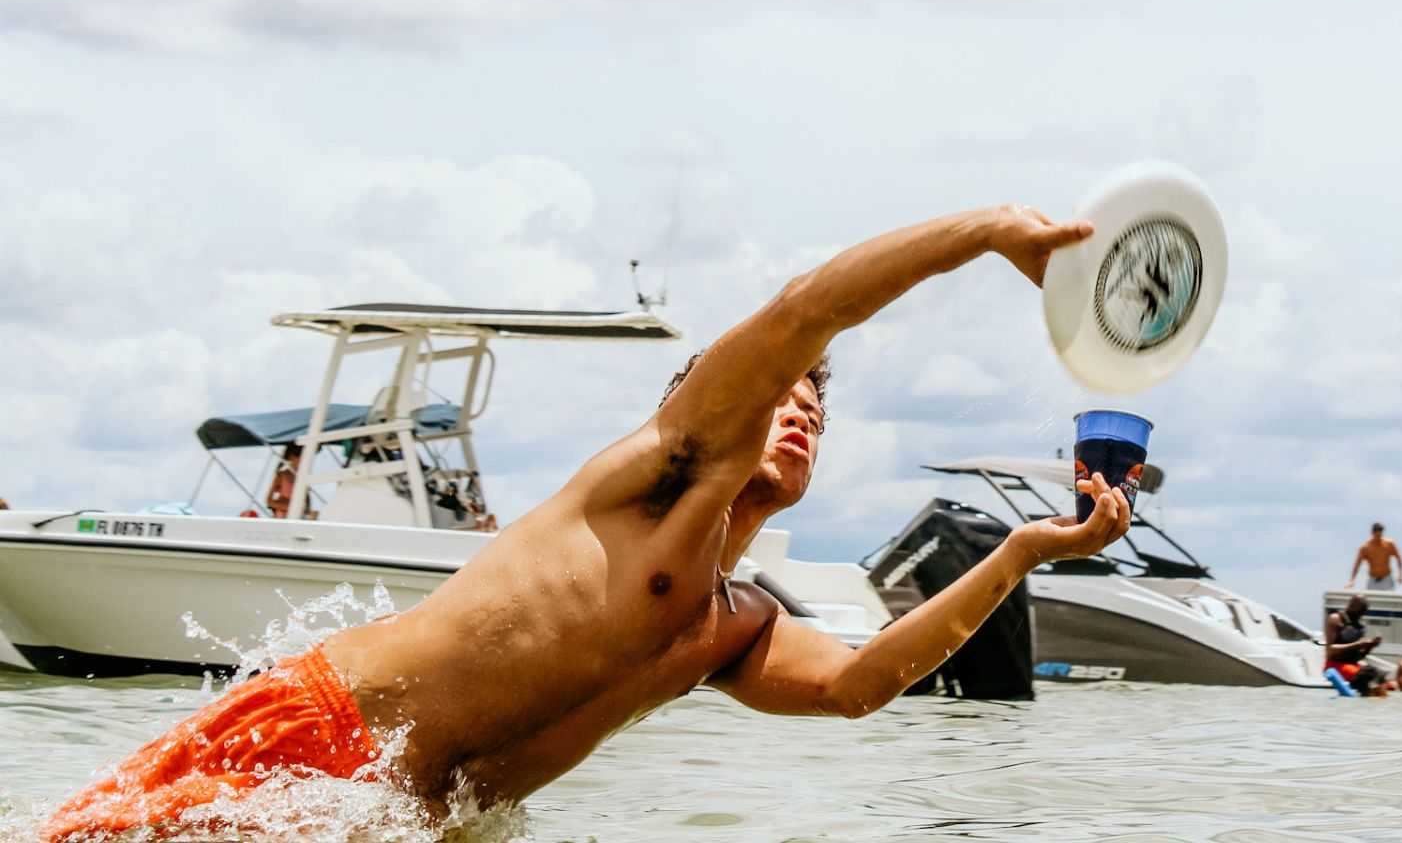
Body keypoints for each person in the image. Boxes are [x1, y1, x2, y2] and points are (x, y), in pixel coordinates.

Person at [43, 204, 1130, 841]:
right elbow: (811, 307)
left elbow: (858, 689)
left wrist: (1025, 549)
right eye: (783, 392)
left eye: (822, 404)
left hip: (418, 822)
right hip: (317, 736)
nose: (802, 408)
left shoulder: (730, 625)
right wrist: (988, 234)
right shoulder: (664, 469)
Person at [1324, 593, 1385, 696]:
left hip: (1352, 665)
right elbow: (1330, 649)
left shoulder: (1360, 627)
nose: (1362, 613)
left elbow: (1357, 657)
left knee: (1379, 675)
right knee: (1368, 675)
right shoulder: (1335, 619)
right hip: (1334, 665)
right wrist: (1357, 644)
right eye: (1361, 609)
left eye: (1364, 610)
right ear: (1352, 605)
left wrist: (1370, 646)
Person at [1346, 522, 1402, 591]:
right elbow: (1357, 565)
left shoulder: (1389, 544)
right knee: (1370, 600)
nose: (1378, 538)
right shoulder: (1365, 547)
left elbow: (1399, 558)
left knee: (1388, 600)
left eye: (1380, 535)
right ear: (1372, 533)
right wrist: (1352, 580)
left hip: (1387, 579)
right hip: (1373, 579)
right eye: (1376, 536)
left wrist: (1401, 574)